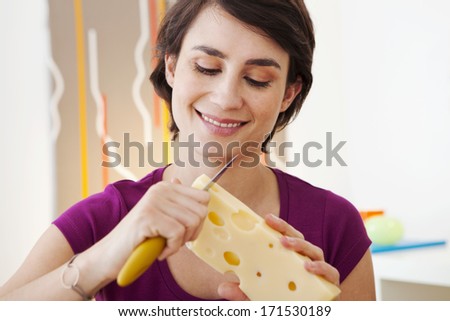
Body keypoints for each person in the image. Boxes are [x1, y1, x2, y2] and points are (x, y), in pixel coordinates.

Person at [0, 0, 375, 300]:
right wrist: (103, 256)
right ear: (173, 67)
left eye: (257, 79)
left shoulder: (335, 224)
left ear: (288, 94)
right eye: (207, 67)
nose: (226, 98)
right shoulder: (104, 219)